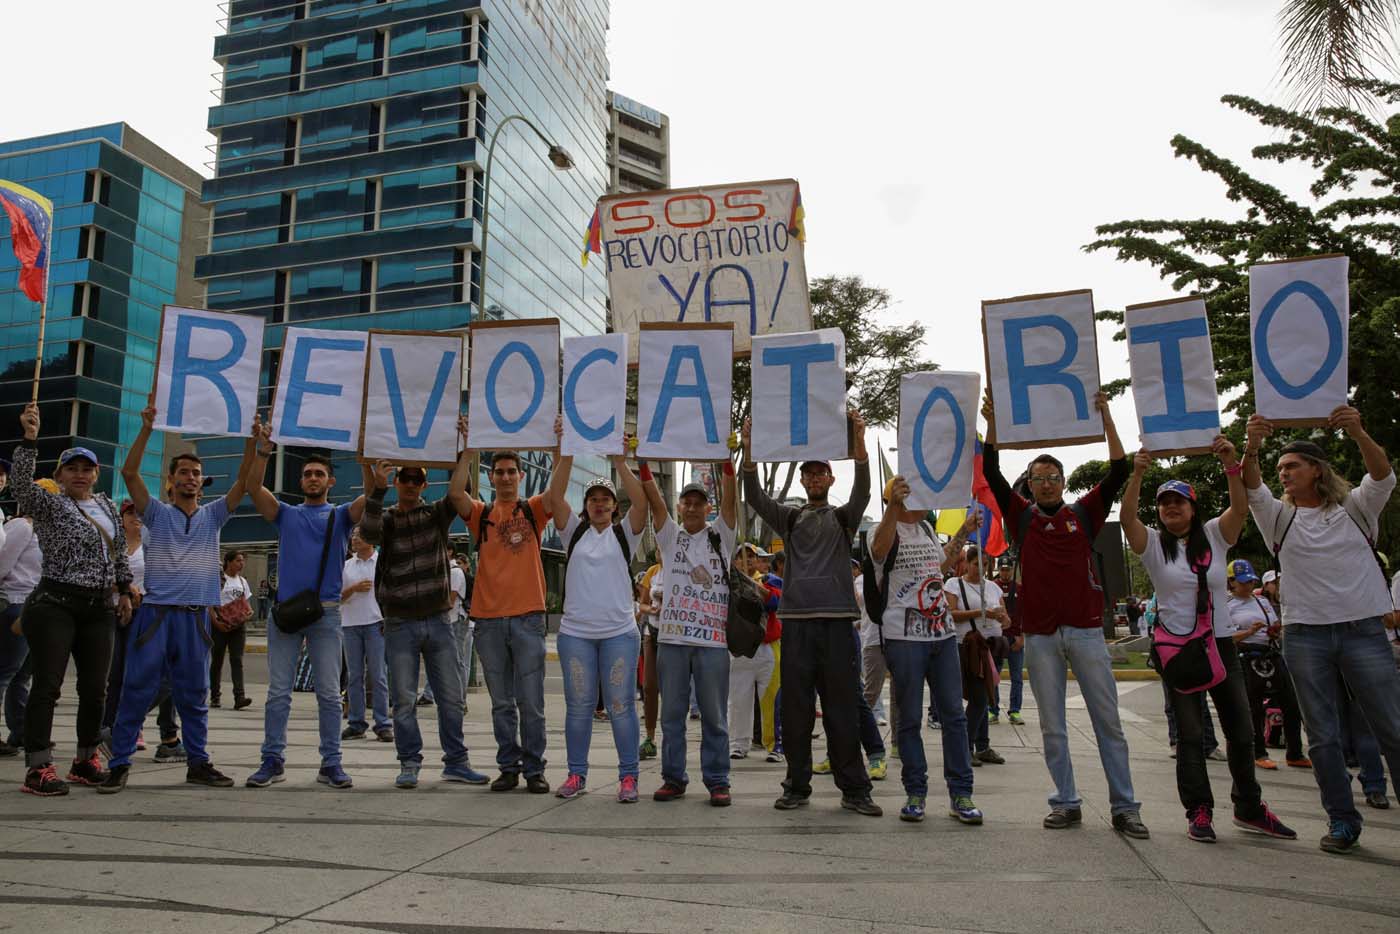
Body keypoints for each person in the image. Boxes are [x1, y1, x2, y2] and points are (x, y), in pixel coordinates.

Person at [981, 390, 1148, 838]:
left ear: (1064, 481)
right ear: (1030, 486)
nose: (1048, 483)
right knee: (1053, 727)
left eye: (1054, 476)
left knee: (1108, 723)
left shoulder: (1085, 513)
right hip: (1039, 637)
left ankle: (1125, 807)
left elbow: (1117, 470)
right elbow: (991, 471)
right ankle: (1066, 801)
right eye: (1039, 478)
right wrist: (993, 424)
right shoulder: (1020, 519)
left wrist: (1107, 416)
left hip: (1088, 634)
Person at [1244, 406, 1400, 853]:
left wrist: (1358, 429)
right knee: (1324, 737)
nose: (1284, 473)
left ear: (1317, 470)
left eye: (1292, 465)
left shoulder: (1357, 508)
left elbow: (1383, 474)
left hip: (1364, 631)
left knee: (1392, 727)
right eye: (1280, 468)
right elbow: (1251, 484)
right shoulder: (1279, 518)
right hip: (1305, 636)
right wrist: (1253, 444)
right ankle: (1342, 822)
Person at [1123, 442, 1295, 843]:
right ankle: (1199, 811)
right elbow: (1128, 517)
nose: (1171, 509)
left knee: (1241, 731)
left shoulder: (1216, 536)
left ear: (1193, 507)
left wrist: (1230, 464)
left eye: (1179, 502)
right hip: (1179, 652)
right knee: (1190, 735)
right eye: (1164, 504)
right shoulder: (1151, 545)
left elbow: (1239, 509)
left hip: (1221, 646)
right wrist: (1137, 474)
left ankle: (1249, 807)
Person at [102, 400, 253, 793]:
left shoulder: (214, 515)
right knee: (137, 688)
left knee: (195, 694)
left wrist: (257, 445)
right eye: (183, 472)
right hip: (155, 616)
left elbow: (246, 482)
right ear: (170, 480)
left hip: (196, 618)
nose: (190, 478)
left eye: (196, 474)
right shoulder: (155, 513)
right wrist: (147, 428)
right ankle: (118, 763)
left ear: (202, 483)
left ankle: (198, 762)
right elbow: (130, 471)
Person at [742, 411, 880, 816]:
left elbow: (865, 492)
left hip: (838, 625)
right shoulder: (791, 516)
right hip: (797, 626)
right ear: (802, 480)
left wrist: (858, 442)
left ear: (830, 479)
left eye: (821, 473)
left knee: (842, 711)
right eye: (810, 474)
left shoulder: (843, 518)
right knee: (797, 712)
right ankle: (796, 787)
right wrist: (749, 449)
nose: (815, 478)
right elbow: (755, 496)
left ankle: (855, 790)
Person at [11, 405, 131, 795]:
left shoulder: (109, 506)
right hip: (56, 604)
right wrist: (29, 439)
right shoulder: (50, 503)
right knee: (48, 685)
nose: (80, 475)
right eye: (72, 469)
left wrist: (125, 590)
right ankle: (38, 767)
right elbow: (20, 488)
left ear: (96, 474)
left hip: (99, 607)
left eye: (87, 469)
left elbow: (120, 554)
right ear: (60, 475)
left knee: (96, 688)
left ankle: (84, 759)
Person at [244, 437, 367, 790]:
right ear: (301, 481)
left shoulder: (341, 516)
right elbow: (253, 486)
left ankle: (331, 763)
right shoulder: (286, 514)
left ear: (330, 481)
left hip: (327, 613)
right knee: (278, 692)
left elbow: (372, 495)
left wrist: (363, 460)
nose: (313, 478)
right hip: (286, 613)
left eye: (320, 474)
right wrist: (264, 452)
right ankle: (272, 759)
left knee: (329, 693)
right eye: (308, 474)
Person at [362, 446, 488, 789]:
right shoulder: (387, 519)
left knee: (450, 698)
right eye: (407, 478)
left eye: (418, 479)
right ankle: (409, 762)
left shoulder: (435, 515)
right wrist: (377, 487)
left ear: (424, 483)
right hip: (400, 623)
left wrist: (465, 454)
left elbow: (457, 492)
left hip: (438, 620)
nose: (412, 484)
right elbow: (369, 534)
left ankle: (457, 762)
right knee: (403, 700)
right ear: (398, 481)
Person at [542, 422, 647, 802]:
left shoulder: (625, 533)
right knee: (579, 708)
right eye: (592, 500)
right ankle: (575, 775)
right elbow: (554, 496)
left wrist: (621, 463)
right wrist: (565, 452)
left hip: (619, 632)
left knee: (620, 707)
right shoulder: (574, 533)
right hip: (576, 635)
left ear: (613, 506)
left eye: (605, 500)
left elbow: (642, 504)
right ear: (585, 507)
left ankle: (629, 777)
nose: (599, 504)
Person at [870, 475, 982, 823]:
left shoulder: (928, 531)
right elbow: (878, 552)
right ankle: (915, 792)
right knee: (910, 720)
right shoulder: (884, 529)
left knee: (954, 716)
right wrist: (892, 505)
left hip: (942, 635)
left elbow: (940, 567)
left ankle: (961, 794)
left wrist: (963, 531)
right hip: (903, 638)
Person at [451, 423, 553, 794]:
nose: (507, 477)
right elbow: (454, 493)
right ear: (491, 477)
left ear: (521, 476)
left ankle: (534, 769)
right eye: (500, 472)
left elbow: (556, 490)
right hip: (489, 621)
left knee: (532, 703)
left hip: (528, 618)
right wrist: (466, 449)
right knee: (501, 704)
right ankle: (508, 767)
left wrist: (562, 446)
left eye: (512, 471)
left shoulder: (534, 510)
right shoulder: (482, 514)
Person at [641, 456, 739, 807]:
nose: (693, 507)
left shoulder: (722, 536)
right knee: (672, 715)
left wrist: (728, 465)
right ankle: (673, 778)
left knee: (714, 715)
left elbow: (731, 501)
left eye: (700, 502)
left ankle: (717, 781)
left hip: (712, 641)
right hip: (672, 641)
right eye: (687, 502)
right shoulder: (670, 537)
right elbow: (654, 501)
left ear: (708, 507)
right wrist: (643, 465)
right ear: (680, 507)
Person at [1224, 559, 1307, 772]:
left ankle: (1295, 752)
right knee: (1254, 707)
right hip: (1246, 655)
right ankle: (1258, 752)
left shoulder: (1262, 601)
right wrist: (1249, 631)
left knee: (1291, 703)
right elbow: (1225, 637)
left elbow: (1274, 624)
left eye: (1251, 581)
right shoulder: (1227, 605)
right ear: (1231, 582)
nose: (1248, 586)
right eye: (1243, 582)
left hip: (1270, 654)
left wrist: (1274, 630)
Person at [947, 545, 1008, 768]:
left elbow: (1006, 618)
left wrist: (1002, 618)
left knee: (988, 696)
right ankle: (966, 746)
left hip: (993, 646)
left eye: (985, 565)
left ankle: (983, 746)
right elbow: (951, 615)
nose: (980, 570)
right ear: (966, 563)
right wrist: (980, 613)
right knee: (978, 699)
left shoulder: (993, 588)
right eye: (976, 565)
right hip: (970, 647)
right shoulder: (954, 585)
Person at [0, 486, 45, 759]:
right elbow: (2, 566)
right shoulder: (22, 526)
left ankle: (21, 732)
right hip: (16, 604)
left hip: (38, 607)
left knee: (22, 675)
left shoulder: (46, 530)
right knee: (5, 671)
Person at [340, 526, 391, 743]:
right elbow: (337, 597)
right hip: (350, 625)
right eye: (353, 536)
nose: (354, 539)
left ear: (371, 540)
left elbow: (391, 594)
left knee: (378, 675)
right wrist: (354, 589)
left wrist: (387, 620)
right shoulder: (346, 566)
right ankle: (356, 723)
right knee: (354, 676)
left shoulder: (382, 563)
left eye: (359, 536)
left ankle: (382, 724)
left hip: (375, 624)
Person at [730, 544, 780, 761]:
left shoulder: (770, 580)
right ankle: (739, 744)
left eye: (751, 556)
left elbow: (776, 602)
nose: (747, 560)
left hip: (767, 649)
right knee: (739, 700)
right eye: (742, 557)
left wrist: (753, 584)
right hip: (739, 650)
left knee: (772, 699)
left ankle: (775, 745)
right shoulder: (728, 583)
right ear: (734, 562)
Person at [209, 551, 253, 711]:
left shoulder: (242, 581)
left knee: (237, 660)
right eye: (237, 560)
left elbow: (246, 603)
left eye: (242, 560)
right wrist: (215, 622)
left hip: (238, 627)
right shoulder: (219, 580)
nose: (241, 563)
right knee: (217, 661)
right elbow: (209, 604)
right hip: (220, 626)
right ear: (228, 562)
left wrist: (247, 614)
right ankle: (215, 695)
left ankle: (239, 697)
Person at [988, 558, 1025, 725]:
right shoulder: (991, 587)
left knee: (1016, 676)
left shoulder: (1019, 588)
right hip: (997, 638)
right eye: (1002, 569)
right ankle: (993, 709)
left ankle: (1015, 711)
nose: (1005, 572)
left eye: (1008, 569)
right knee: (994, 675)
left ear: (1012, 570)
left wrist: (1022, 636)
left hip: (1015, 637)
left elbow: (1025, 614)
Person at [636, 560, 662, 759]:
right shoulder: (653, 572)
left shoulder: (682, 568)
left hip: (675, 635)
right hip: (651, 632)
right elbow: (643, 603)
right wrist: (651, 609)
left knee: (673, 689)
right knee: (649, 686)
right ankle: (650, 737)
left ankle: (673, 737)